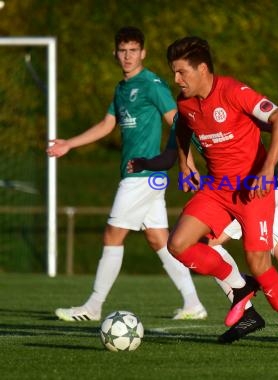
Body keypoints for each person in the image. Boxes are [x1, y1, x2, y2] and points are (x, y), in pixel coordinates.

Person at [129, 120, 278, 345]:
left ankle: (247, 308)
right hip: (241, 194)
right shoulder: (187, 118)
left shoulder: (230, 104)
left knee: (205, 242)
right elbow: (171, 157)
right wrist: (144, 164)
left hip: (254, 194)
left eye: (183, 74)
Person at [164, 36, 278, 350]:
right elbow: (182, 128)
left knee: (259, 262)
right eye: (174, 73)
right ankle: (239, 286)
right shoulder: (185, 102)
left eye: (181, 72)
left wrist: (268, 168)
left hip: (253, 190)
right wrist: (184, 163)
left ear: (202, 69)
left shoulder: (234, 92)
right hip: (217, 189)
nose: (176, 79)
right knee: (178, 244)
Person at [46, 26, 207, 322]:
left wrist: (186, 162)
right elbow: (107, 126)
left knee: (112, 234)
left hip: (143, 175)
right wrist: (69, 143)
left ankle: (93, 307)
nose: (128, 56)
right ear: (115, 54)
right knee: (159, 239)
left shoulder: (152, 84)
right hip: (139, 177)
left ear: (143, 53)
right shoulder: (121, 89)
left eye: (133, 50)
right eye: (123, 50)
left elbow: (179, 122)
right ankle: (193, 303)